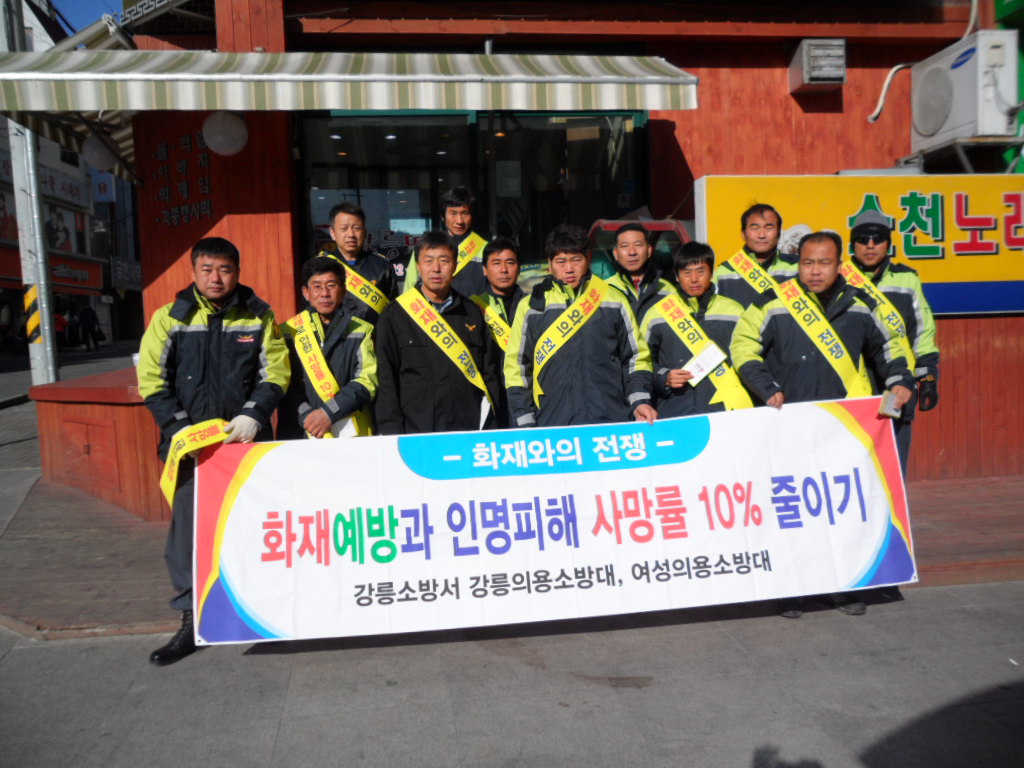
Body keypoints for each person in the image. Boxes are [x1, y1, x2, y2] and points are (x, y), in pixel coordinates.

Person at [731, 231, 914, 618]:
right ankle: (792, 590)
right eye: (807, 263)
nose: (814, 271)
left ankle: (842, 586)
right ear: (797, 264)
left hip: (842, 430)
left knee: (840, 510)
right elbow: (742, 345)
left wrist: (900, 381)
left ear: (840, 264)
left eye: (824, 263)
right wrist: (766, 387)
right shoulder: (773, 301)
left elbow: (891, 348)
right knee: (793, 509)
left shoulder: (861, 304)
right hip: (788, 424)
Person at [137, 236, 289, 665]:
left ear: (237, 272)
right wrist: (180, 430)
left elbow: (276, 372)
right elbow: (152, 381)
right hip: (191, 451)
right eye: (207, 270)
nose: (216, 278)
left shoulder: (259, 315)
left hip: (244, 444)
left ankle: (259, 613)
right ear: (194, 272)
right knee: (189, 533)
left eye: (224, 270)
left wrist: (254, 414)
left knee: (253, 527)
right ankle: (192, 620)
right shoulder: (170, 318)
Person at [505, 223, 656, 428]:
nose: (569, 269)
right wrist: (525, 420)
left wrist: (640, 401)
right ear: (550, 264)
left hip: (610, 419)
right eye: (561, 261)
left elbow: (636, 357)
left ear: (588, 258)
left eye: (576, 260)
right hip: (551, 422)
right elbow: (517, 367)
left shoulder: (613, 299)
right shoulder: (531, 306)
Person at [844, 208, 940, 477]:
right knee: (853, 461)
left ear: (888, 243)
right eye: (862, 239)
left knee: (891, 461)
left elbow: (921, 330)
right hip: (853, 383)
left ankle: (893, 506)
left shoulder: (906, 279)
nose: (870, 245)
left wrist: (928, 376)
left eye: (877, 239)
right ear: (852, 244)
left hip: (895, 384)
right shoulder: (839, 278)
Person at [375, 231, 501, 435]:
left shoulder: (472, 313)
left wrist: (489, 425)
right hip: (415, 431)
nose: (436, 268)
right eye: (428, 261)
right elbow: (386, 380)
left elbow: (489, 374)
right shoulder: (395, 315)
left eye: (444, 261)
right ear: (418, 265)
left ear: (455, 265)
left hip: (467, 429)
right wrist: (391, 433)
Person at [640, 242, 752, 418]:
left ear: (712, 273)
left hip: (725, 412)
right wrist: (664, 377)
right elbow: (640, 362)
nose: (694, 279)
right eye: (687, 273)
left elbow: (750, 358)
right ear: (677, 276)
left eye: (700, 271)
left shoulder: (734, 311)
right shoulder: (657, 314)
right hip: (676, 412)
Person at [280, 256, 378, 439]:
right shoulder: (289, 331)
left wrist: (328, 413)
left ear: (343, 291)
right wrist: (307, 416)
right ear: (306, 292)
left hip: (351, 435)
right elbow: (282, 383)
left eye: (331, 286)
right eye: (317, 286)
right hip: (301, 432)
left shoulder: (361, 329)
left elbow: (367, 381)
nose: (324, 293)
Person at [471, 238, 526, 428]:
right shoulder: (474, 308)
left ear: (519, 268)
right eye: (496, 263)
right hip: (489, 402)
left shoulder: (533, 307)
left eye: (510, 262)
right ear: (485, 269)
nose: (504, 270)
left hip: (525, 399)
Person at [318, 202, 398, 326]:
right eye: (344, 229)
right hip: (334, 337)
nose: (351, 234)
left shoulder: (382, 267)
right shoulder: (320, 267)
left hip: (374, 337)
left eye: (356, 228)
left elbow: (393, 312)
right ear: (332, 232)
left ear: (364, 232)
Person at [404, 187, 488, 297]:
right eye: (453, 213)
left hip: (476, 308)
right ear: (443, 216)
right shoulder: (425, 247)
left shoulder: (485, 248)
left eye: (464, 213)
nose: (459, 221)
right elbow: (409, 288)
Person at [713, 203, 798, 308]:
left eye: (768, 228)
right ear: (743, 234)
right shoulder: (723, 273)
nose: (762, 235)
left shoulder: (797, 269)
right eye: (755, 228)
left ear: (779, 234)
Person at [606, 223, 676, 324]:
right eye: (625, 246)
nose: (632, 252)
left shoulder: (666, 289)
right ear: (616, 253)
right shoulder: (606, 289)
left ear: (649, 250)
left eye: (638, 245)